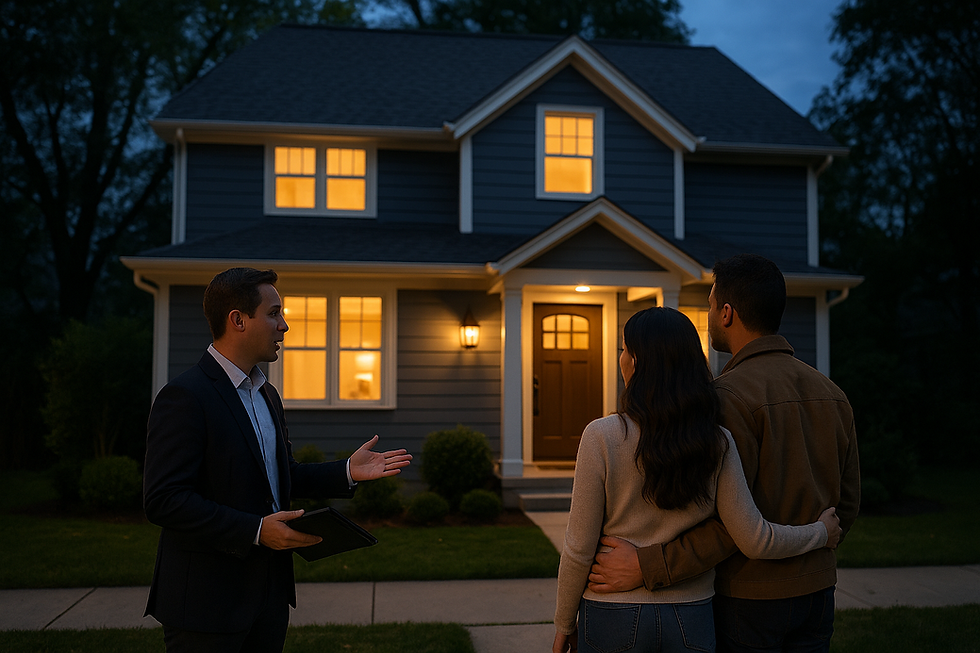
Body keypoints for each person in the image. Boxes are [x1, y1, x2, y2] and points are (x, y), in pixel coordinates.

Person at [587, 254, 861, 653]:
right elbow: (846, 506)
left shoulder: (724, 399)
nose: (710, 316)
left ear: (727, 313)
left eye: (711, 307)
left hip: (749, 598)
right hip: (818, 595)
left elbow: (727, 524)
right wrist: (817, 543)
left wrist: (648, 566)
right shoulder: (833, 394)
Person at [143, 267, 412, 653]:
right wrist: (255, 530)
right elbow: (164, 499)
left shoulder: (266, 394)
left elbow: (280, 476)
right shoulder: (185, 397)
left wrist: (346, 471)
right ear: (237, 320)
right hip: (205, 604)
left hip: (268, 598)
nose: (284, 326)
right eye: (274, 313)